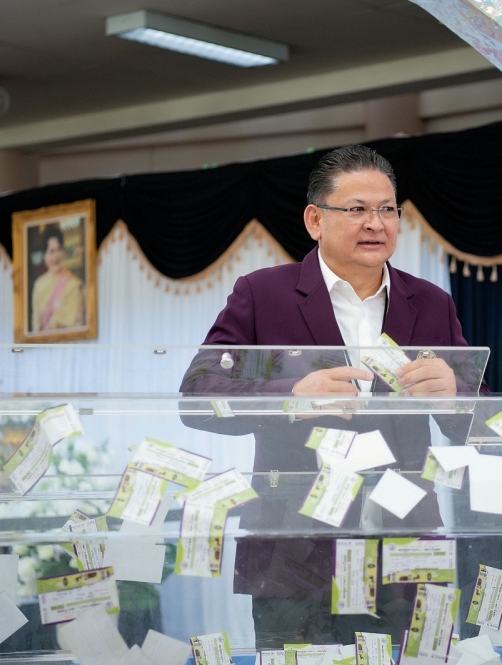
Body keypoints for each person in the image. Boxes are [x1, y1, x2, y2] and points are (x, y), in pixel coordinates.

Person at [180, 145, 485, 647]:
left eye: (387, 209)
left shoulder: (431, 303)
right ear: (315, 220)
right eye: (357, 209)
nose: (375, 223)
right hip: (294, 551)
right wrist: (292, 396)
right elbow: (196, 396)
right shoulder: (263, 294)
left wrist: (455, 395)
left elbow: (483, 419)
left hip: (403, 546)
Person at [30, 225, 85, 332]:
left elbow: (77, 320)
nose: (55, 256)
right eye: (51, 251)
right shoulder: (38, 285)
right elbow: (35, 324)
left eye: (58, 249)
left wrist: (55, 324)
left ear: (63, 252)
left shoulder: (74, 283)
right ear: (45, 255)